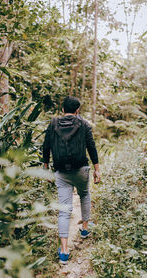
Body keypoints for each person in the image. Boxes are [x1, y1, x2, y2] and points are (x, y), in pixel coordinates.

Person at [43, 96, 100, 264]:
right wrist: (97, 169)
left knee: (64, 210)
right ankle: (85, 229)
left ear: (62, 110)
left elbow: (46, 146)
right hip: (81, 169)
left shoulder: (53, 124)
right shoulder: (83, 124)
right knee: (84, 194)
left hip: (61, 172)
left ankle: (64, 251)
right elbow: (91, 146)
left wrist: (45, 167)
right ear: (77, 111)